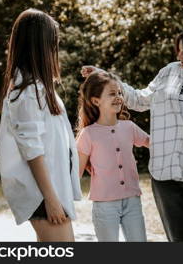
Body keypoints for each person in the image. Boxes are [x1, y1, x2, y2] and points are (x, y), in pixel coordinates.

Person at [81, 24, 183, 242]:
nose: (179, 56)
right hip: (165, 174)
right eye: (179, 50)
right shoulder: (170, 72)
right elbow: (140, 100)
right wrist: (108, 78)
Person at [0, 9, 82, 242]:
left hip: (51, 191)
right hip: (42, 195)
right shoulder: (26, 92)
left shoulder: (40, 88)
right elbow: (32, 151)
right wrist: (51, 199)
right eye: (52, 44)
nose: (55, 50)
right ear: (40, 46)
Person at [76, 71, 150, 242]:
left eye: (119, 93)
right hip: (104, 204)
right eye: (111, 94)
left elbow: (152, 142)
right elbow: (77, 173)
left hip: (132, 201)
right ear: (96, 101)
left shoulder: (129, 127)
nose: (118, 97)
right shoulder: (88, 134)